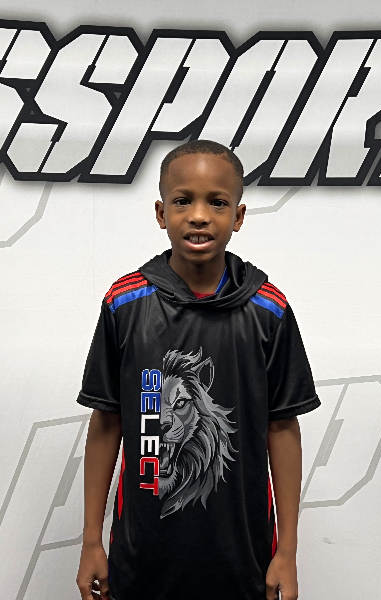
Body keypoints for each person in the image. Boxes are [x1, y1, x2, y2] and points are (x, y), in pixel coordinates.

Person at [76, 139, 321, 600]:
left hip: (244, 560)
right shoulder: (124, 304)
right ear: (161, 212)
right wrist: (91, 539)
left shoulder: (269, 310)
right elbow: (106, 422)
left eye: (218, 203)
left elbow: (283, 427)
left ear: (239, 216)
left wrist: (287, 551)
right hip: (142, 559)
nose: (200, 215)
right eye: (183, 201)